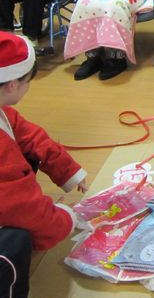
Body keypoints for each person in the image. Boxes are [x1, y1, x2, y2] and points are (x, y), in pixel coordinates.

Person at [0, 32, 88, 298]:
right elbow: (21, 206)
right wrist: (66, 218)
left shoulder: (5, 112)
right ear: (12, 84)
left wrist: (70, 172)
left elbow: (32, 137)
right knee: (16, 243)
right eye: (27, 82)